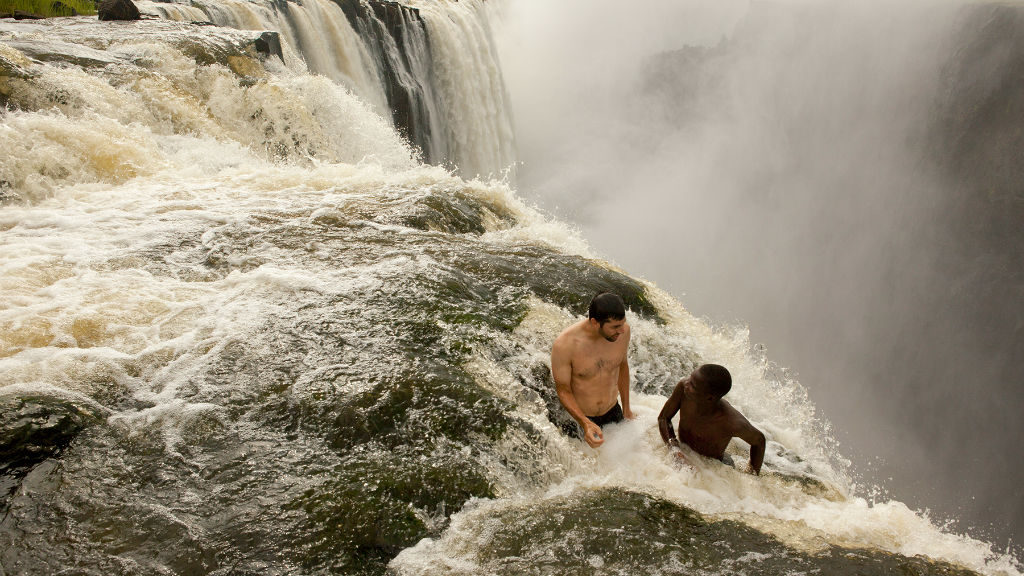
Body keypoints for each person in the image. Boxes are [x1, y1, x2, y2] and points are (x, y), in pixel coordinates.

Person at [550, 292, 635, 448]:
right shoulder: (565, 345)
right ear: (595, 322)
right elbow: (563, 391)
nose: (621, 330)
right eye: (616, 326)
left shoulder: (622, 334)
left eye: (623, 324)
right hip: (579, 420)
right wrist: (585, 423)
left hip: (613, 411)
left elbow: (622, 367)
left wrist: (627, 409)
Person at [657, 364, 766, 474]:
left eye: (693, 385)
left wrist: (752, 475)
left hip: (712, 468)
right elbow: (663, 418)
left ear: (709, 397)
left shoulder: (732, 422)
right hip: (682, 450)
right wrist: (675, 449)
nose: (686, 384)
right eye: (690, 378)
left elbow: (759, 441)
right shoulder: (683, 389)